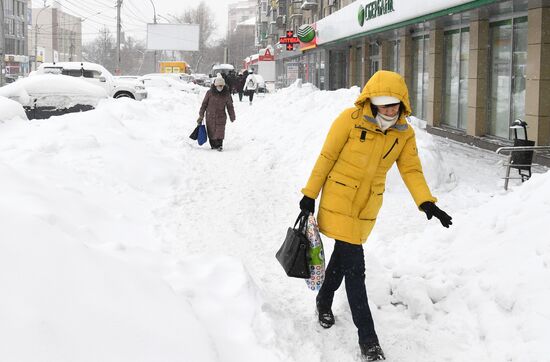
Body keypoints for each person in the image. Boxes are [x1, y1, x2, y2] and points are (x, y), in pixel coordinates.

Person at [299, 70, 452, 361]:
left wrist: (427, 202)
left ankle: (324, 299)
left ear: (402, 102)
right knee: (355, 268)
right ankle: (368, 340)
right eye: (383, 103)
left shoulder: (404, 133)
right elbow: (327, 156)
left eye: (394, 103)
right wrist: (310, 193)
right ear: (371, 100)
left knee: (343, 257)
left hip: (367, 206)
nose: (389, 109)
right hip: (340, 198)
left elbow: (411, 169)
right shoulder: (350, 119)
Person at [197, 74, 236, 152]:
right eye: (218, 86)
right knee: (211, 131)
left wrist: (232, 116)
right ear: (215, 85)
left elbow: (230, 106)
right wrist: (201, 115)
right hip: (210, 116)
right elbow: (204, 104)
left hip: (221, 116)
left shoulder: (226, 94)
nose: (220, 87)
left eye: (221, 86)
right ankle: (213, 144)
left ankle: (219, 145)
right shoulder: (209, 93)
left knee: (220, 131)